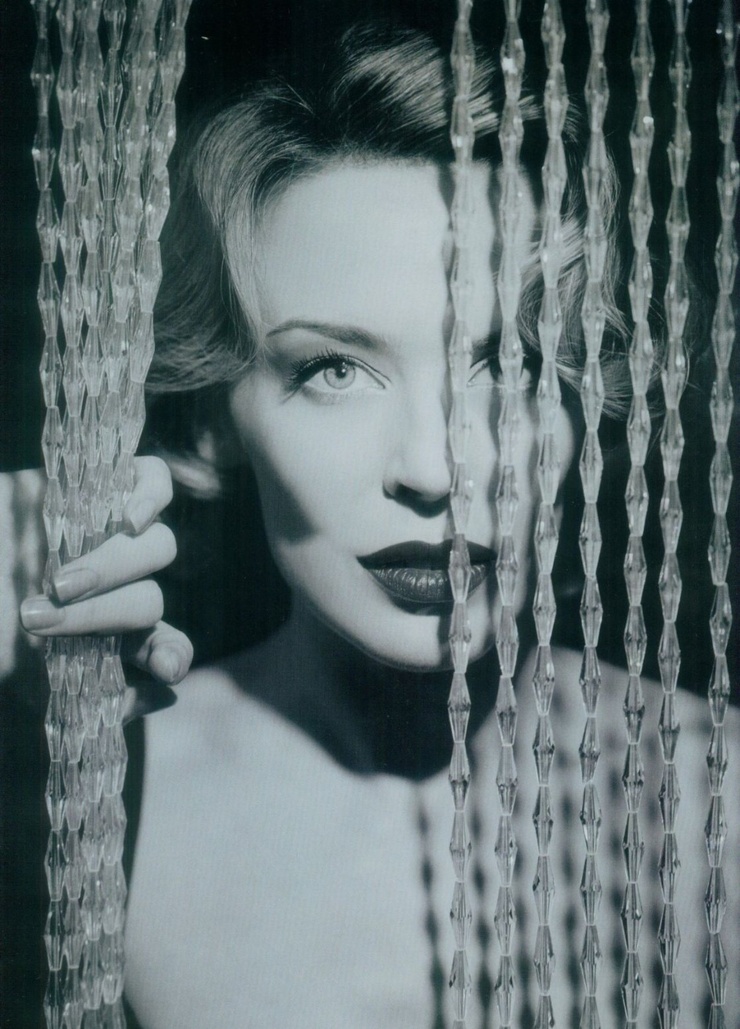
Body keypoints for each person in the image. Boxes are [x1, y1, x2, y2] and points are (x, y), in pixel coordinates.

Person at [3, 14, 738, 1029]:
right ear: (214, 414)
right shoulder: (89, 799)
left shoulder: (714, 799)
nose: (433, 469)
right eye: (333, 370)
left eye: (510, 365)